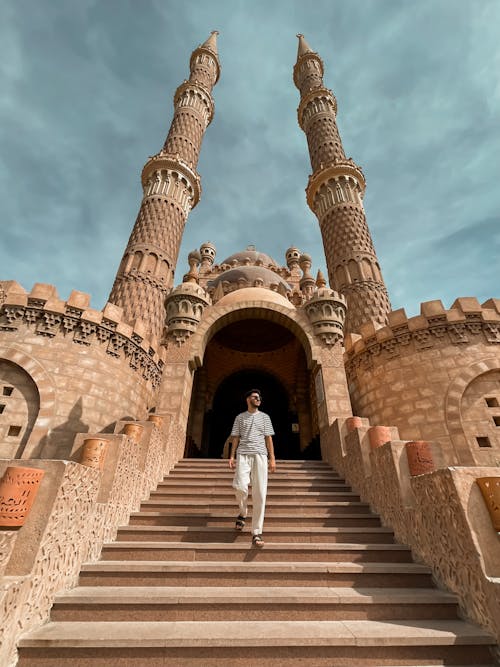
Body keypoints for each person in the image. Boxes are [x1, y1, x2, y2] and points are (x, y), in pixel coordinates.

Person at [229, 388, 276, 548]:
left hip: (261, 456)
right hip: (243, 454)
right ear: (248, 399)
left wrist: (272, 458)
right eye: (255, 397)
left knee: (260, 494)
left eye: (259, 398)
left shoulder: (265, 417)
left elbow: (268, 438)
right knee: (240, 487)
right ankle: (243, 512)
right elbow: (235, 437)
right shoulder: (240, 418)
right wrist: (232, 456)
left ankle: (257, 532)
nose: (258, 399)